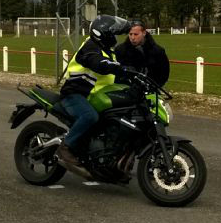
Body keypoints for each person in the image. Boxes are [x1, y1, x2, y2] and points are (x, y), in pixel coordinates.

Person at [56, 15, 130, 177]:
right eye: (112, 34)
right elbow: (98, 63)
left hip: (92, 95)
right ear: (102, 33)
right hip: (74, 94)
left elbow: (114, 74)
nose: (114, 38)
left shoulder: (108, 52)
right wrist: (117, 67)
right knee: (90, 116)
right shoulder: (90, 47)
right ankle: (65, 147)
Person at [114, 20, 170, 87]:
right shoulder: (120, 50)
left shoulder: (158, 51)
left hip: (152, 90)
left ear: (144, 33)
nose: (132, 38)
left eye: (136, 34)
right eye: (130, 34)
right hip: (126, 90)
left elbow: (164, 73)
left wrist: (155, 87)